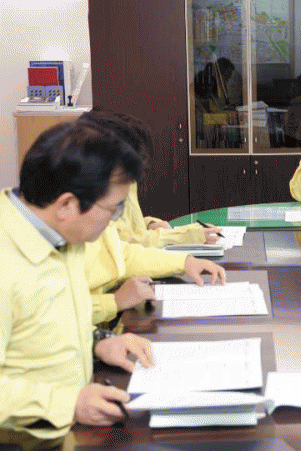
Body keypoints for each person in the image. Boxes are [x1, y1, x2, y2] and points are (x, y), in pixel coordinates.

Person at [0, 121, 155, 438]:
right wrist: (67, 403)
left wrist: (99, 342)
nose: (113, 221)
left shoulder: (61, 236)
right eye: (113, 210)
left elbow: (44, 326)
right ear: (67, 205)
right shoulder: (7, 261)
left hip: (74, 428)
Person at [78, 111, 221, 247]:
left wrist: (148, 224)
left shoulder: (125, 178)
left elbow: (126, 225)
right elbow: (121, 242)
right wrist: (183, 235)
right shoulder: (93, 186)